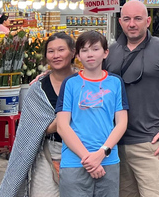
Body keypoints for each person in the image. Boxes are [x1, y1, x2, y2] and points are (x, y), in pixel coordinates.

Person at [104, 0, 159, 197]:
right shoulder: (111, 51)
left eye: (137, 19)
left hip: (150, 142)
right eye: (127, 19)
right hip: (116, 144)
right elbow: (90, 78)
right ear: (120, 21)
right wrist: (49, 76)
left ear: (148, 21)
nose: (132, 24)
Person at [0, 33, 77, 197]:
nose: (56, 55)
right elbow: (34, 128)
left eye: (61, 50)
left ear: (73, 52)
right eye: (51, 51)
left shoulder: (86, 82)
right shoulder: (38, 90)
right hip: (49, 152)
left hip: (81, 152)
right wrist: (65, 119)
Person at [56, 31, 129, 197]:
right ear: (78, 55)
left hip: (108, 160)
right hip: (75, 162)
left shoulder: (115, 82)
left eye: (95, 49)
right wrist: (89, 160)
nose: (90, 54)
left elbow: (122, 122)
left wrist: (101, 153)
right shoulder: (70, 83)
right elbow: (62, 125)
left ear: (105, 53)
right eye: (84, 50)